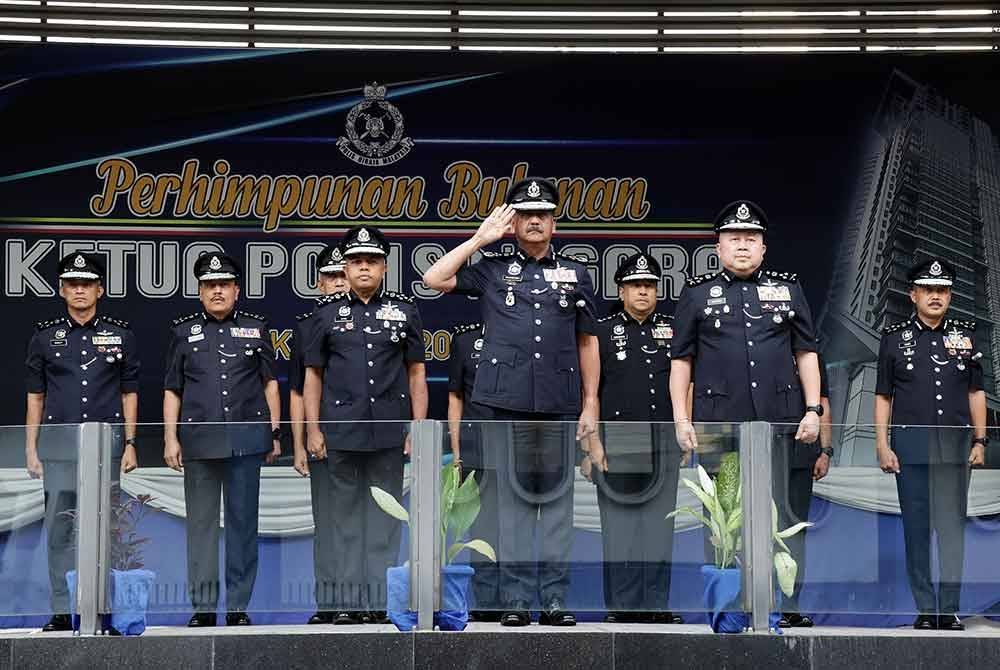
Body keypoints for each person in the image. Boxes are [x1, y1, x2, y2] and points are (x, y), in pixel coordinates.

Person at [423, 177, 599, 627]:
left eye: (543, 214)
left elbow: (587, 342)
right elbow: (433, 278)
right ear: (513, 223)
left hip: (558, 404)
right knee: (512, 507)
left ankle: (554, 599)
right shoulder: (492, 269)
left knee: (557, 506)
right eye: (525, 214)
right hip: (505, 406)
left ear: (554, 223)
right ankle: (517, 600)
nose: (534, 220)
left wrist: (590, 403)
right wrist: (479, 239)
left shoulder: (576, 273)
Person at [668, 200, 821, 627]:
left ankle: (786, 607)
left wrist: (813, 409)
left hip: (783, 424)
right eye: (733, 238)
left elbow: (807, 353)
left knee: (786, 515)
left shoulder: (788, 290)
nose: (742, 245)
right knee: (723, 520)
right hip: (720, 427)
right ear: (718, 247)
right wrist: (681, 419)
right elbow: (681, 361)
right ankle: (730, 608)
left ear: (763, 248)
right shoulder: (697, 293)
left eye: (751, 239)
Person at [303, 225, 428, 625]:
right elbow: (313, 376)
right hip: (340, 431)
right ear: (345, 267)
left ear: (384, 268)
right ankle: (346, 602)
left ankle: (378, 601)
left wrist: (417, 427)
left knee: (384, 521)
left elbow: (416, 373)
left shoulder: (405, 310)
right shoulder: (325, 314)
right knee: (343, 521)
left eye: (371, 261)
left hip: (389, 433)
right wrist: (312, 429)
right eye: (356, 261)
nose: (363, 268)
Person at [162, 252, 281, 627]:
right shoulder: (183, 332)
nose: (217, 291)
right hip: (199, 442)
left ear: (236, 290)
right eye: (210, 285)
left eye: (224, 284)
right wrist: (170, 438)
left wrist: (274, 432)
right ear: (200, 292)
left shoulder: (256, 328)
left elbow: (270, 384)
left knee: (243, 526)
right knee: (201, 527)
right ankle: (202, 607)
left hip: (246, 441)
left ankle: (237, 607)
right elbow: (172, 389)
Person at [25, 252, 139, 632]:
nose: (79, 290)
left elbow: (129, 393)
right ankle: (62, 609)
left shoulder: (121, 335)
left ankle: (104, 607)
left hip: (106, 447)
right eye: (72, 283)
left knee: (106, 529)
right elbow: (35, 397)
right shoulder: (44, 336)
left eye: (86, 283)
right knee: (60, 530)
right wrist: (31, 448)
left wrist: (132, 442)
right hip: (59, 446)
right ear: (62, 290)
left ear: (99, 290)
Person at [874, 258, 986, 631]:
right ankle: (925, 609)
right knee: (916, 531)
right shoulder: (894, 337)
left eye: (942, 290)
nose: (935, 296)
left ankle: (949, 609)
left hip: (955, 450)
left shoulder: (965, 337)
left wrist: (980, 440)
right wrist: (882, 444)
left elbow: (976, 392)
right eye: (927, 290)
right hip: (910, 450)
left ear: (949, 296)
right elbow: (883, 396)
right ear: (913, 295)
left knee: (952, 531)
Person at [582, 252, 684, 624]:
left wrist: (684, 431)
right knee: (620, 528)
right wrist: (590, 445)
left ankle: (656, 605)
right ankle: (622, 607)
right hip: (618, 440)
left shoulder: (674, 328)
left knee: (660, 526)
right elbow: (588, 393)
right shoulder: (601, 331)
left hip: (664, 440)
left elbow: (686, 384)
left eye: (649, 285)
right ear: (621, 290)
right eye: (635, 285)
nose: (643, 291)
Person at [289, 244, 350, 625]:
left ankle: (367, 602)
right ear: (319, 283)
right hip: (323, 439)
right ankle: (328, 602)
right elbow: (297, 391)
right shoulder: (307, 326)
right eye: (331, 276)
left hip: (365, 439)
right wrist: (299, 443)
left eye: (343, 275)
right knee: (327, 524)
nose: (338, 282)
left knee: (364, 522)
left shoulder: (381, 319)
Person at [447, 321, 500, 620]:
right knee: (482, 527)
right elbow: (455, 397)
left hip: (516, 446)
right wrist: (457, 453)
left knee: (515, 527)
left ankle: (514, 601)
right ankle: (487, 602)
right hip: (476, 447)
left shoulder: (527, 337)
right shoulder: (466, 340)